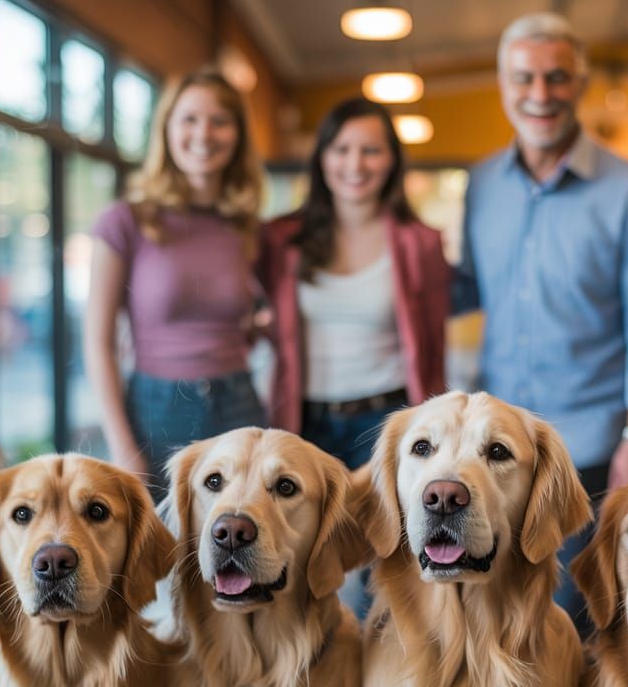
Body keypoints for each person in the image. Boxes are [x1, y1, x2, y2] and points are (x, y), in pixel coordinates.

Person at [455, 11, 628, 629]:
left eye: (556, 78)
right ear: (503, 85)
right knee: (497, 614)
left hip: (591, 448)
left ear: (580, 84)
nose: (540, 94)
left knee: (571, 620)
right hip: (493, 450)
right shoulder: (480, 186)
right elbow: (464, 287)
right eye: (523, 78)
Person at [84, 66, 266, 493]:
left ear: (237, 135)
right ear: (166, 129)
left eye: (220, 121)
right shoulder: (125, 221)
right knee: (164, 553)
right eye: (189, 119)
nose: (204, 133)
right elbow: (98, 343)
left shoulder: (245, 226)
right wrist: (122, 446)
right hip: (155, 408)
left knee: (243, 550)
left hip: (239, 401)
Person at [258, 96, 450, 470]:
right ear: (322, 158)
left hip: (387, 419)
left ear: (392, 159)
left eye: (371, 151)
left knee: (383, 530)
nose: (355, 164)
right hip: (302, 419)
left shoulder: (421, 242)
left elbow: (434, 347)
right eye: (341, 149)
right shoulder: (281, 240)